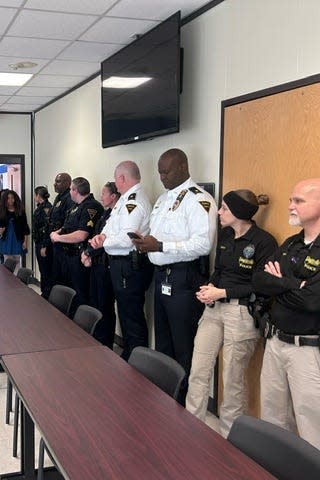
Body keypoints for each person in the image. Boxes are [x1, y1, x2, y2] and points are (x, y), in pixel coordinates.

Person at [252, 178, 320, 468]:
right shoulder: (293, 242)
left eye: (298, 201)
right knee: (272, 427)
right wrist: (296, 284)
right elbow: (259, 280)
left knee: (317, 439)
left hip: (312, 354)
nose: (290, 205)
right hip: (276, 344)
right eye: (292, 199)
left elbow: (314, 300)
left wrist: (281, 282)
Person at [186, 189, 277, 437]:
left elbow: (262, 284)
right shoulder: (226, 235)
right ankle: (190, 425)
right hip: (214, 309)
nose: (219, 212)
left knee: (233, 378)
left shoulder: (264, 242)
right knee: (199, 370)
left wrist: (224, 292)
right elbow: (219, 269)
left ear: (239, 212)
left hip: (241, 313)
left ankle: (230, 438)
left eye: (225, 208)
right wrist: (210, 288)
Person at [132, 148, 217, 404]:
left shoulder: (199, 200)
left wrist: (160, 246)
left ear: (182, 167)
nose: (162, 177)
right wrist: (143, 241)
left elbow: (203, 245)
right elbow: (157, 233)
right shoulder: (164, 199)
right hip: (162, 277)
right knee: (164, 343)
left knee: (184, 346)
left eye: (166, 171)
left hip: (184, 279)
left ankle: (182, 403)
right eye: (159, 172)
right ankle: (164, 398)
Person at [90, 161, 153, 359]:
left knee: (131, 316)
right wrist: (102, 236)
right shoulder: (125, 200)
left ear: (122, 178)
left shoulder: (135, 201)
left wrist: (103, 242)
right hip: (119, 264)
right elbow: (111, 226)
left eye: (116, 178)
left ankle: (136, 360)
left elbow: (127, 238)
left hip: (130, 265)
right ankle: (129, 354)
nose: (115, 182)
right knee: (125, 314)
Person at [50, 177, 103, 315]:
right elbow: (67, 226)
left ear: (75, 190)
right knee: (69, 290)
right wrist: (58, 232)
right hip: (68, 255)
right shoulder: (76, 206)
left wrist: (58, 237)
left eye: (71, 189)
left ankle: (81, 329)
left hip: (81, 257)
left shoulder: (91, 206)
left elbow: (82, 235)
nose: (70, 192)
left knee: (81, 294)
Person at [81, 181, 120, 348]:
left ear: (113, 196)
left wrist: (90, 252)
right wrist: (87, 252)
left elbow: (106, 242)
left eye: (104, 193)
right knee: (95, 303)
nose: (101, 197)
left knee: (105, 307)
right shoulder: (105, 214)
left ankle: (105, 343)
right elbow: (95, 237)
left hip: (106, 265)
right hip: (96, 264)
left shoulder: (117, 215)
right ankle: (97, 338)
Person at [47, 173, 74, 291]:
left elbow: (68, 223)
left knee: (63, 277)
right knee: (55, 274)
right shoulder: (59, 197)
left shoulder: (69, 198)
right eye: (55, 181)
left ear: (68, 183)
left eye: (58, 181)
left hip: (64, 245)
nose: (54, 184)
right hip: (55, 241)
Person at [0, 190, 30, 266]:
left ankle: (15, 277)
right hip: (5, 239)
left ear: (15, 198)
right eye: (8, 198)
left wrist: (25, 241)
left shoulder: (20, 210)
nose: (10, 200)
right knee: (7, 261)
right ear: (5, 199)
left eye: (12, 198)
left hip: (17, 238)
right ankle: (7, 277)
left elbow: (25, 226)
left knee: (17, 260)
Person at [32, 186, 53, 298]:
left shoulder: (46, 209)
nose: (34, 197)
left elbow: (47, 229)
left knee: (46, 270)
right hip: (39, 242)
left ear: (38, 196)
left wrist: (44, 246)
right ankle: (44, 292)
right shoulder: (40, 207)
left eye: (35, 195)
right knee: (43, 269)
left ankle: (47, 294)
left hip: (43, 244)